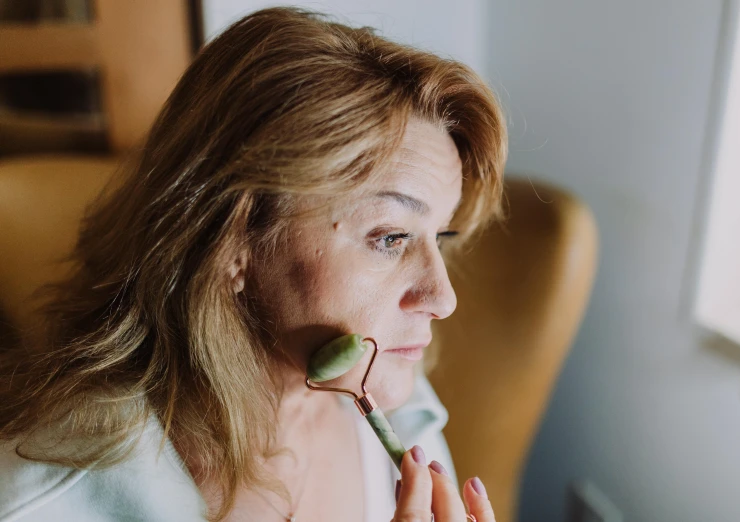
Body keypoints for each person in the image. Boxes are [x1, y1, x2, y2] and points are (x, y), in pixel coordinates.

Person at [0, 7, 507, 522]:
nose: (443, 298)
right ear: (232, 240)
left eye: (438, 238)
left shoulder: (390, 392)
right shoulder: (43, 502)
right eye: (391, 237)